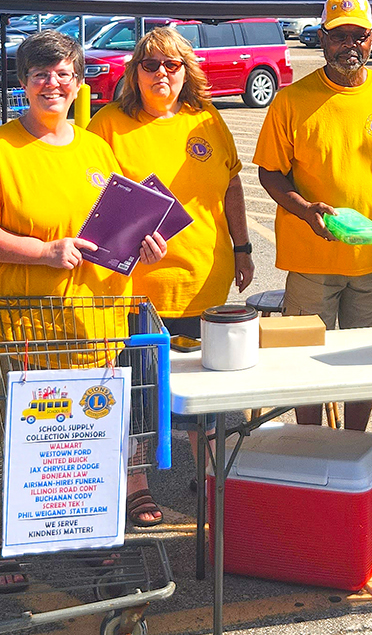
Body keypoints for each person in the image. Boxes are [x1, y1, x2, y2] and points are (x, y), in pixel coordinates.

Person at [0, 30, 167, 588]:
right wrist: (44, 252)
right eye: (41, 75)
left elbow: (115, 229)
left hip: (87, 324)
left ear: (78, 83)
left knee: (80, 439)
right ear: (22, 84)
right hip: (7, 326)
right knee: (1, 436)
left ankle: (85, 533)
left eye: (64, 74)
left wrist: (143, 244)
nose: (53, 84)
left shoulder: (96, 149)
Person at [88, 25, 254, 520]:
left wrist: (243, 248)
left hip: (206, 278)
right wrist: (128, 242)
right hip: (137, 285)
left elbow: (231, 188)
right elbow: (94, 202)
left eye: (173, 64)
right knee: (138, 386)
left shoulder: (206, 120)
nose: (162, 73)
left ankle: (208, 473)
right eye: (151, 64)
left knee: (204, 387)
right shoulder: (108, 124)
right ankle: (137, 481)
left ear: (188, 72)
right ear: (134, 72)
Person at [253, 0, 372, 432]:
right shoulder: (291, 100)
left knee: (364, 364)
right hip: (310, 261)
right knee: (304, 363)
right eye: (338, 35)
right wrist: (306, 210)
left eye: (358, 36)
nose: (349, 44)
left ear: (371, 39)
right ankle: (310, 443)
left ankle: (352, 444)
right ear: (323, 38)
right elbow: (270, 174)